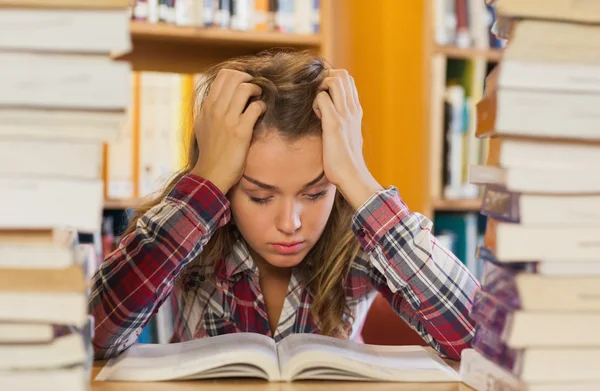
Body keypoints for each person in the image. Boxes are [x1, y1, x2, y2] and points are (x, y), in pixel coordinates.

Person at [89, 50, 479, 361]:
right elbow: (92, 337)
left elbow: (478, 341)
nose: (290, 223)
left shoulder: (355, 242)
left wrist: (359, 180)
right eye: (259, 196)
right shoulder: (191, 231)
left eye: (315, 193)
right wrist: (205, 181)